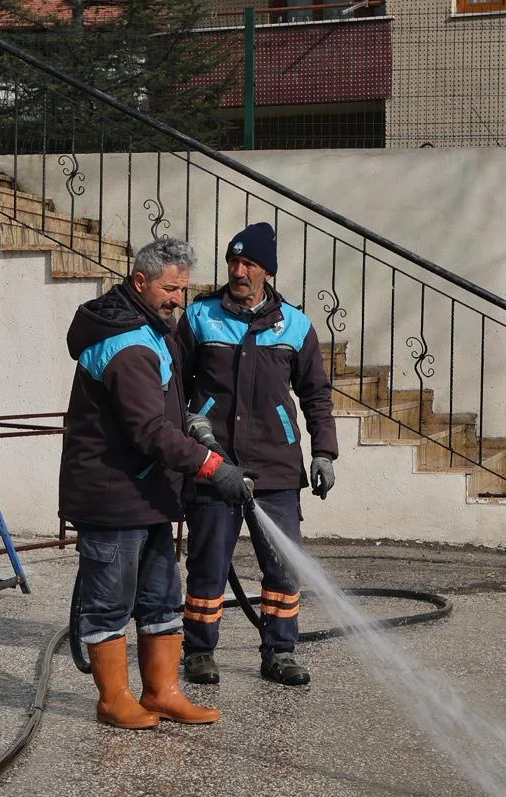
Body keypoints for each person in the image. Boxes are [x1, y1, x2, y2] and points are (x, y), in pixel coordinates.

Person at [59, 236, 253, 730]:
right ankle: (113, 700)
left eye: (183, 289)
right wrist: (210, 466)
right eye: (170, 289)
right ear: (140, 281)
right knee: (109, 604)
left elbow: (156, 407)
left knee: (161, 598)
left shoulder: (150, 328)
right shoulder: (125, 343)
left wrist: (188, 421)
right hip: (112, 496)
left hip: (146, 494)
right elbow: (146, 429)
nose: (177, 299)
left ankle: (162, 692)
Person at [177, 222, 338, 687]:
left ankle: (280, 652)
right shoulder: (200, 317)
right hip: (214, 464)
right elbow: (174, 386)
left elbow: (316, 394)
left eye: (248, 263)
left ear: (268, 271)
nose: (238, 271)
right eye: (233, 261)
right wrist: (189, 429)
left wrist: (324, 452)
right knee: (208, 563)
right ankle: (199, 652)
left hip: (276, 467)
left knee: (283, 567)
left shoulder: (296, 326)